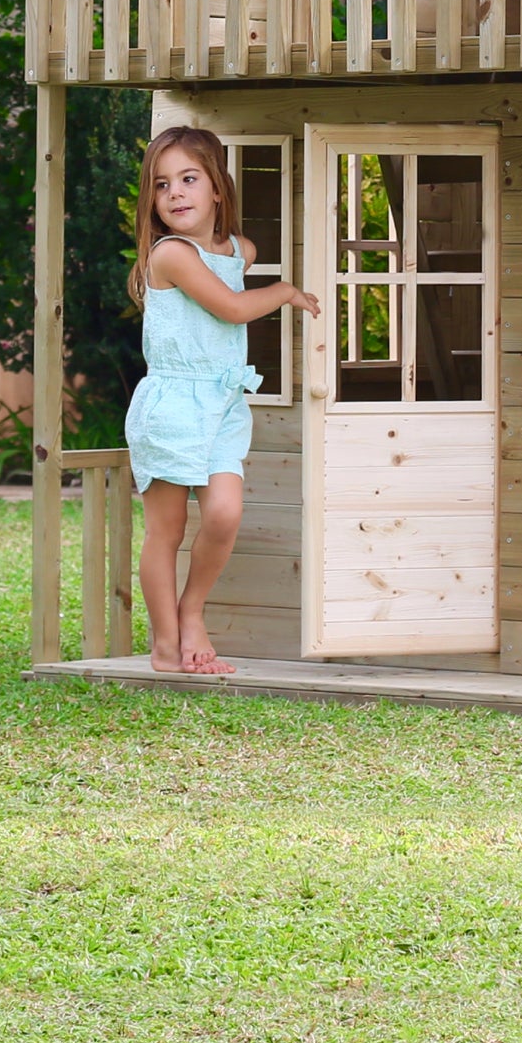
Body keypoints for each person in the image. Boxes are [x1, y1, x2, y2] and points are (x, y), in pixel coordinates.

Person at [124, 127, 320, 674]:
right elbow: (231, 309)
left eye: (189, 179)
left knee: (224, 513)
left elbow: (233, 267)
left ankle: (192, 610)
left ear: (217, 189)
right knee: (166, 530)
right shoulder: (170, 254)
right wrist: (285, 291)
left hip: (223, 404)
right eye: (162, 186)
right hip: (172, 403)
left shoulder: (239, 250)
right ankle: (167, 643)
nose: (176, 194)